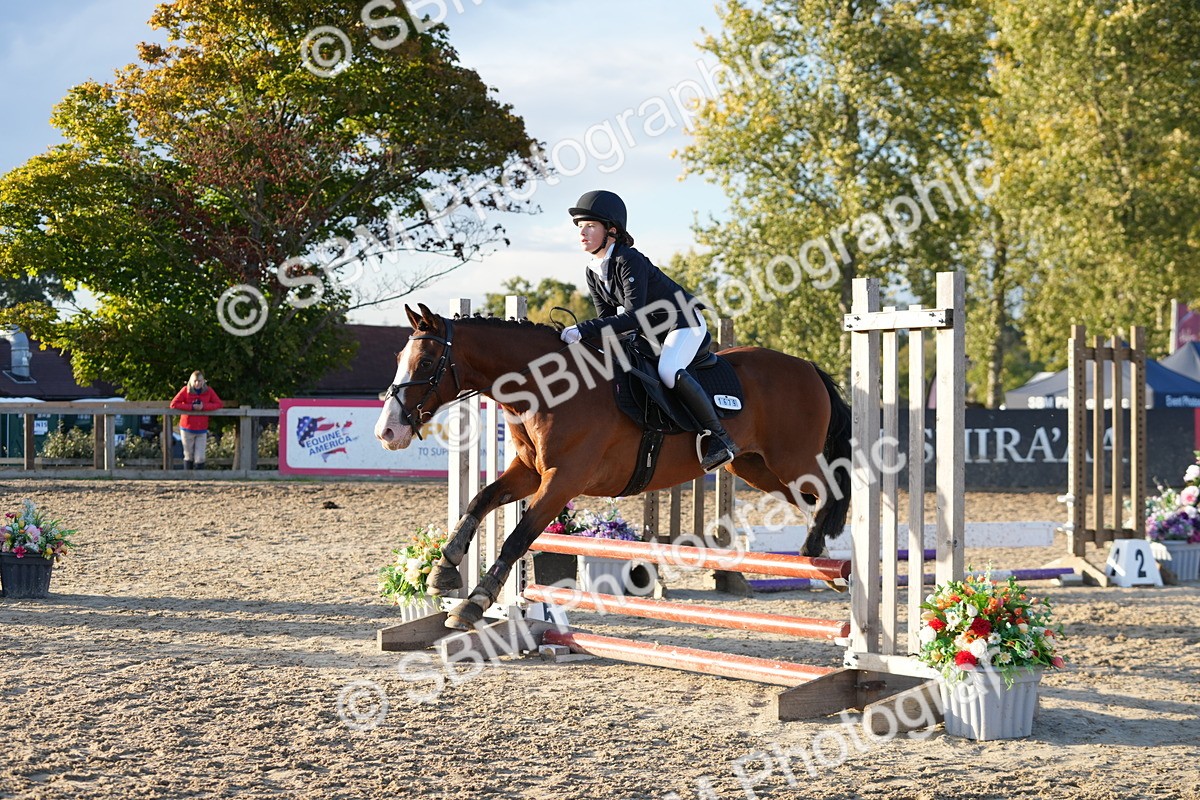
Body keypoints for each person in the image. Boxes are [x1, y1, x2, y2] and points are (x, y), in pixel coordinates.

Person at [560, 189, 738, 471]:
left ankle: (721, 439)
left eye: (590, 226)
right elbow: (606, 318)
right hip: (649, 334)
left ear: (612, 230)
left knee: (668, 370)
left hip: (683, 323)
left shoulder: (628, 259)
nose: (582, 233)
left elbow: (632, 316)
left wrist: (582, 329)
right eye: (580, 227)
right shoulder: (593, 270)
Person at [170, 370, 223, 470]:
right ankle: (188, 478)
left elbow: (219, 404)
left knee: (200, 457)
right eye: (195, 381)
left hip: (202, 428)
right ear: (191, 381)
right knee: (188, 454)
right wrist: (191, 407)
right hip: (187, 428)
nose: (197, 383)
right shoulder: (185, 390)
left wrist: (204, 406)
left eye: (200, 381)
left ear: (203, 382)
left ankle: (200, 480)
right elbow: (173, 404)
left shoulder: (209, 391)